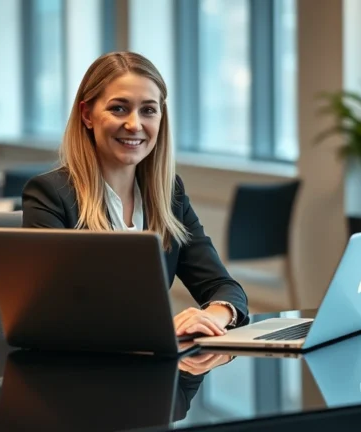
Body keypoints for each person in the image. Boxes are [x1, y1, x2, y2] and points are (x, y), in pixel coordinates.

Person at [22, 51, 248, 338]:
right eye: (118, 108)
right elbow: (49, 312)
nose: (135, 124)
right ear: (87, 115)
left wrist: (212, 316)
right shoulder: (52, 195)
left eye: (148, 110)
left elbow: (224, 287)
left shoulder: (168, 194)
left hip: (154, 370)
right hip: (79, 374)